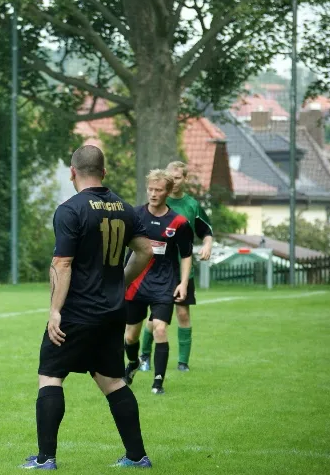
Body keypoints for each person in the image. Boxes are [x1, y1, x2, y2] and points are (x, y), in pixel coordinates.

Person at [21, 145, 154, 470]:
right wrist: (120, 281)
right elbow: (146, 251)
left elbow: (62, 264)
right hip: (112, 312)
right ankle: (137, 456)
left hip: (78, 312)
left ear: (72, 172)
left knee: (50, 375)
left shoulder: (70, 210)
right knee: (112, 381)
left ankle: (45, 459)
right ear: (103, 172)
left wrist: (55, 311)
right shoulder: (125, 209)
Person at [122, 170, 194, 395]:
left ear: (168, 191)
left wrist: (183, 283)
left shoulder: (179, 222)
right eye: (150, 189)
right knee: (130, 336)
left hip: (164, 284)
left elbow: (186, 254)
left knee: (160, 329)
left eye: (159, 190)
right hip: (136, 283)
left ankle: (158, 382)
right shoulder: (134, 216)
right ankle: (133, 363)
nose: (153, 194)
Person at [138, 161, 212, 373]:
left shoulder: (191, 205)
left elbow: (206, 231)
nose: (174, 181)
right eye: (171, 177)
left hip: (183, 270)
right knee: (154, 319)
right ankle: (144, 355)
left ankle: (183, 363)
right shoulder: (158, 202)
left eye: (178, 177)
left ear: (185, 179)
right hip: (158, 271)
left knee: (183, 314)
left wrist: (207, 244)